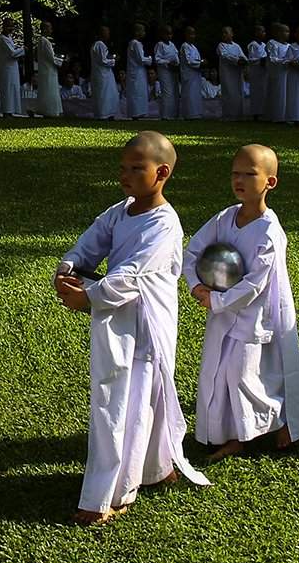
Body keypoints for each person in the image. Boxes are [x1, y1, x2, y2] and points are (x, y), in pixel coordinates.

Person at [54, 131, 210, 522]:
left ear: (162, 173)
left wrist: (86, 297)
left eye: (136, 168)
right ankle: (157, 469)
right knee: (138, 396)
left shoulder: (165, 224)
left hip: (145, 323)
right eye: (122, 168)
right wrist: (69, 267)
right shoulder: (121, 210)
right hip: (118, 316)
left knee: (129, 399)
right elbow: (92, 241)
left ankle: (116, 493)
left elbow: (133, 275)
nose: (125, 175)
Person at [184, 144, 299, 458]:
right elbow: (195, 250)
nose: (240, 180)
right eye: (235, 174)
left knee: (243, 375)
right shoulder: (225, 218)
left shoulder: (269, 231)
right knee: (219, 372)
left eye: (250, 174)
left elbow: (255, 283)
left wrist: (218, 301)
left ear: (270, 182)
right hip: (221, 311)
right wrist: (197, 286)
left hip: (253, 316)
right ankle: (233, 434)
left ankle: (276, 420)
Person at [89, 26, 120, 121]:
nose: (108, 34)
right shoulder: (99, 44)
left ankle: (108, 113)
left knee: (107, 93)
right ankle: (103, 114)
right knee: (103, 94)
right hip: (102, 74)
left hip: (104, 73)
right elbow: (103, 60)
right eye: (107, 32)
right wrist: (114, 60)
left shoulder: (98, 45)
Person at [122, 24, 152, 120]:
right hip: (137, 72)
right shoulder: (136, 43)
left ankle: (137, 113)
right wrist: (150, 59)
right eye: (142, 31)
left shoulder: (133, 43)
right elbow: (141, 59)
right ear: (137, 32)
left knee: (137, 92)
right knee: (137, 92)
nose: (144, 33)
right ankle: (136, 113)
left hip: (137, 72)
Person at [215, 27, 245, 121]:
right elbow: (225, 56)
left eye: (226, 32)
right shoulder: (221, 45)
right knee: (228, 93)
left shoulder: (237, 46)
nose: (224, 35)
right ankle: (228, 115)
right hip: (226, 74)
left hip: (237, 73)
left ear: (232, 34)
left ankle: (238, 115)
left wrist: (243, 61)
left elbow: (243, 56)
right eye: (223, 33)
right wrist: (237, 60)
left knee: (237, 93)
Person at [32, 29, 63, 118]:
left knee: (47, 89)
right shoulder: (45, 41)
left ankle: (48, 110)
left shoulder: (42, 41)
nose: (50, 30)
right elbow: (51, 57)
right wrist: (62, 61)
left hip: (46, 69)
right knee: (49, 90)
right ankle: (50, 111)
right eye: (48, 27)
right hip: (48, 69)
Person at [0, 19, 25, 116]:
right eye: (8, 26)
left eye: (12, 26)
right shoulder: (2, 38)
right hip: (6, 67)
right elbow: (12, 53)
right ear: (4, 26)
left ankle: (12, 110)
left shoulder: (9, 37)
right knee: (7, 88)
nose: (11, 29)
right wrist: (23, 49)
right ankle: (6, 111)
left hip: (13, 67)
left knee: (13, 87)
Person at [177, 26, 204, 120]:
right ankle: (189, 115)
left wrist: (201, 63)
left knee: (195, 94)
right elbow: (190, 61)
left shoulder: (194, 47)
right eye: (191, 34)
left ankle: (196, 114)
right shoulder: (184, 46)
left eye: (194, 34)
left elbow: (197, 60)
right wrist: (201, 63)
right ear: (186, 35)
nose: (193, 36)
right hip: (188, 75)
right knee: (189, 94)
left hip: (195, 75)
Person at [152, 30, 179, 121]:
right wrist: (168, 62)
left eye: (171, 33)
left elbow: (176, 55)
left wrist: (176, 63)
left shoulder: (172, 44)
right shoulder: (160, 45)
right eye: (167, 33)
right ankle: (165, 115)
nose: (169, 35)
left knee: (174, 92)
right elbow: (157, 59)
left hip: (173, 71)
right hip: (164, 71)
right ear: (162, 34)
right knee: (167, 92)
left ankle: (174, 114)